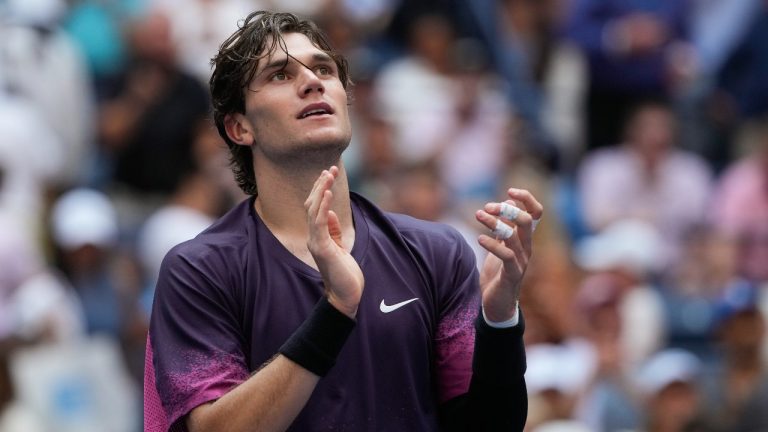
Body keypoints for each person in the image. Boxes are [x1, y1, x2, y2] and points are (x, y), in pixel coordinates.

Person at [144, 11, 543, 432]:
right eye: (280, 75)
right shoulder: (198, 269)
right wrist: (336, 311)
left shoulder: (438, 252)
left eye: (324, 69)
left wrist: (499, 319)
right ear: (240, 127)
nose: (313, 82)